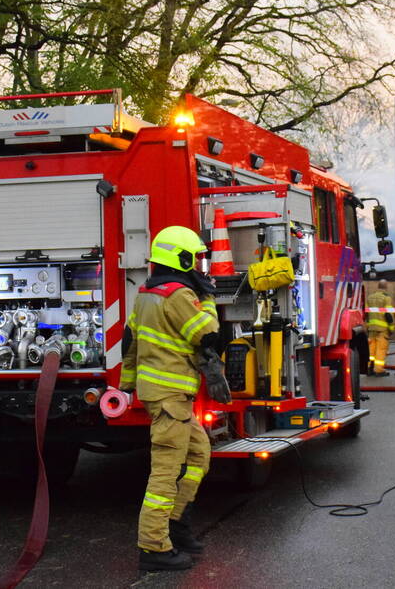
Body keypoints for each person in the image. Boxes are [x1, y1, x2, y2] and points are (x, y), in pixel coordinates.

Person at [119, 226, 232, 572]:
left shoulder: (146, 294)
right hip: (171, 398)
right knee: (165, 474)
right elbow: (208, 336)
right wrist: (209, 300)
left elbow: (130, 346)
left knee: (199, 452)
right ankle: (154, 547)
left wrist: (126, 388)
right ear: (180, 259)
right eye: (194, 259)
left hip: (165, 397)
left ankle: (176, 523)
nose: (197, 265)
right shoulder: (179, 296)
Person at [365, 279, 394, 377]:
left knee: (370, 350)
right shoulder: (386, 298)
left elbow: (366, 313)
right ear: (385, 287)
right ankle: (379, 370)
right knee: (381, 350)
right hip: (382, 329)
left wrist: (367, 326)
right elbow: (389, 315)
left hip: (371, 329)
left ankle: (369, 368)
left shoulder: (370, 297)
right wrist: (391, 328)